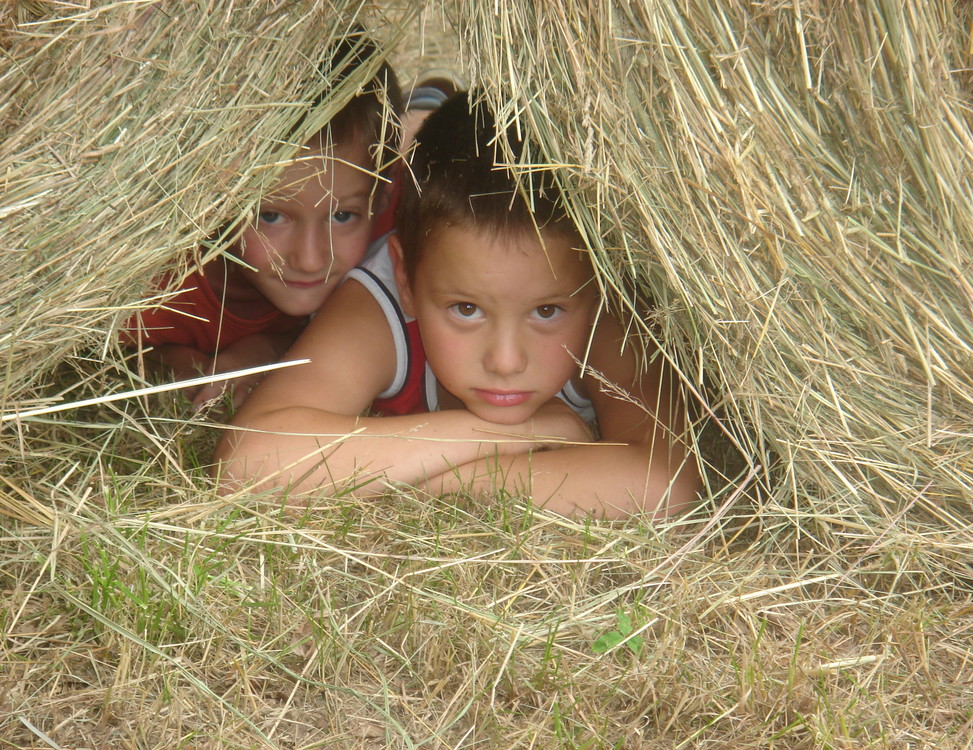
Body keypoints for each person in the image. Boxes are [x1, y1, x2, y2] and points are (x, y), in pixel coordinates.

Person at [214, 92, 701, 519]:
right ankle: (428, 99)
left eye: (546, 312)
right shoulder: (380, 302)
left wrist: (438, 481)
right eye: (466, 310)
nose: (506, 362)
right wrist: (512, 434)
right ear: (405, 278)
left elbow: (666, 483)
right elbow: (248, 464)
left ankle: (429, 99)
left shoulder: (604, 310)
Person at [122, 34, 403, 408]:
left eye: (341, 216)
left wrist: (261, 352)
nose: (310, 259)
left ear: (379, 198)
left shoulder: (390, 241)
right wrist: (170, 361)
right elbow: (112, 350)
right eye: (271, 215)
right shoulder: (155, 288)